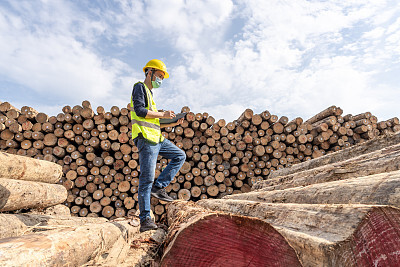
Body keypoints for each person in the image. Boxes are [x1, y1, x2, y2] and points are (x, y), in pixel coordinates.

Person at [130, 59, 186, 232]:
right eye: (159, 76)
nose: (160, 80)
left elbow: (155, 123)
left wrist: (173, 123)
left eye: (162, 77)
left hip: (157, 138)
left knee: (180, 155)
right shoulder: (139, 87)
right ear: (149, 72)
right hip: (146, 139)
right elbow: (140, 111)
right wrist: (163, 113)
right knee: (146, 179)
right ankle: (145, 220)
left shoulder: (150, 93)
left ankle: (159, 187)